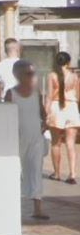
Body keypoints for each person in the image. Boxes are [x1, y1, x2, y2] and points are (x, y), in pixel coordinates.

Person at [6, 60, 49, 220]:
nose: (32, 76)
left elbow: (42, 111)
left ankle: (38, 208)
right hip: (17, 137)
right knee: (16, 171)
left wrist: (45, 122)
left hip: (35, 137)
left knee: (36, 170)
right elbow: (7, 116)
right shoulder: (11, 93)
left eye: (32, 73)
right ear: (18, 75)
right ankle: (12, 206)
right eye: (28, 73)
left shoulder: (36, 92)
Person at [46, 51, 79, 184]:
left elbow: (48, 96)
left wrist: (45, 112)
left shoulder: (52, 75)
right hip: (71, 107)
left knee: (56, 142)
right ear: (68, 62)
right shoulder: (75, 76)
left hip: (56, 107)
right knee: (70, 143)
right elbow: (78, 95)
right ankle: (72, 174)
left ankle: (57, 173)